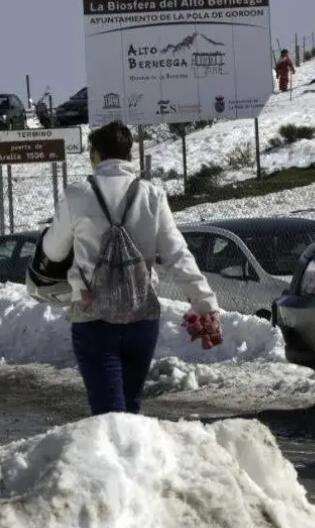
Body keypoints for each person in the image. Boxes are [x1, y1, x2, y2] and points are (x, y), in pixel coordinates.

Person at [39, 121, 219, 416]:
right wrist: (204, 303)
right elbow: (177, 254)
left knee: (109, 415)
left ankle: (118, 460)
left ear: (95, 154)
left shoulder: (78, 195)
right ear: (129, 155)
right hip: (141, 318)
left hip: (93, 317)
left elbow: (53, 251)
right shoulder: (152, 195)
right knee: (131, 408)